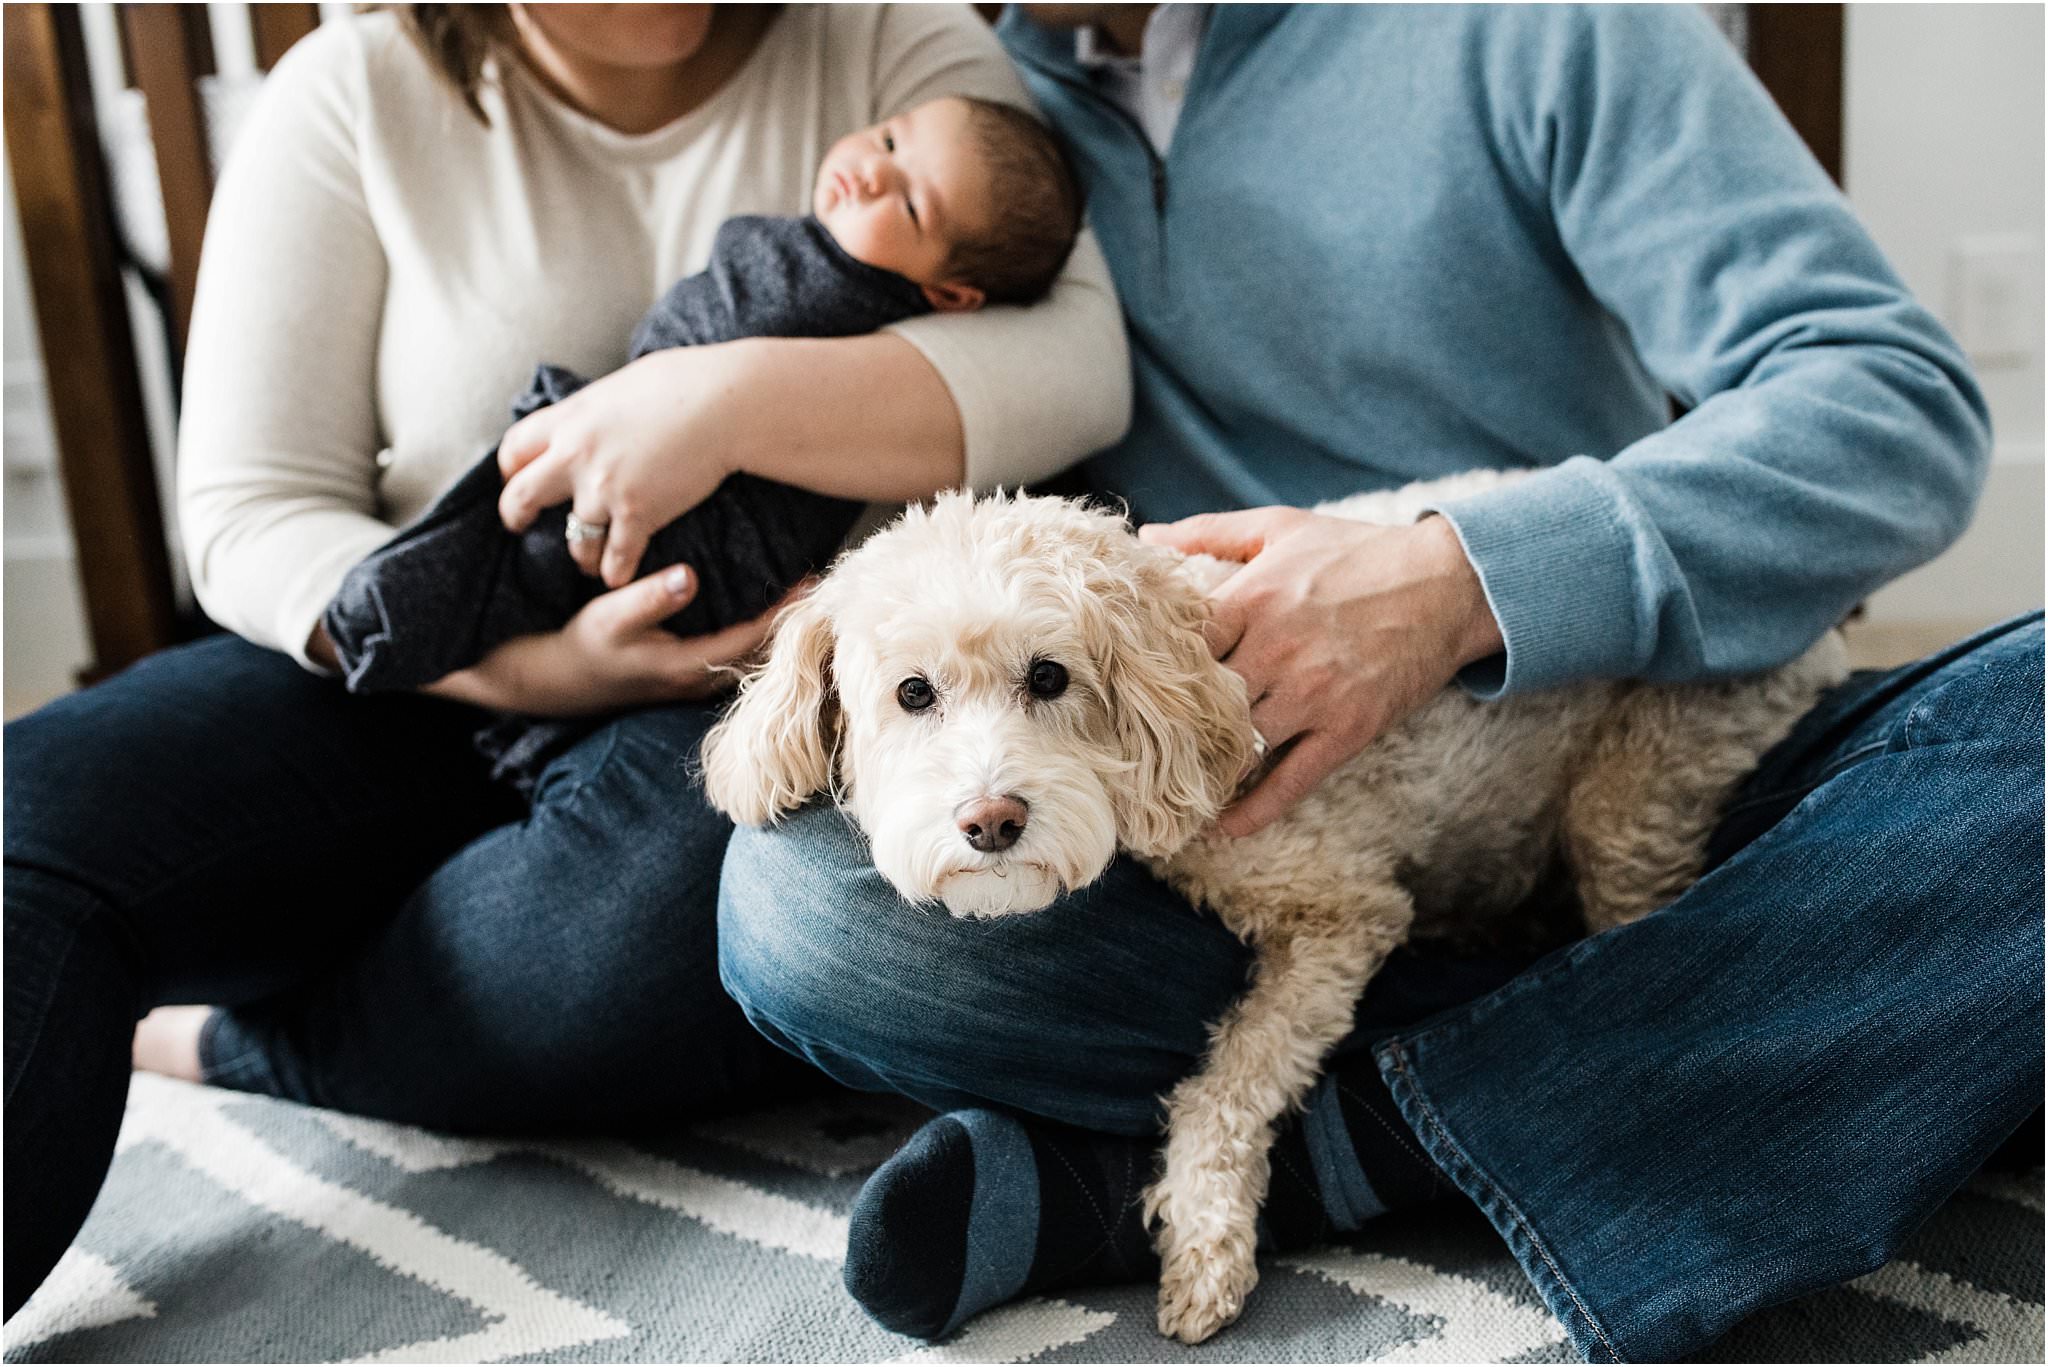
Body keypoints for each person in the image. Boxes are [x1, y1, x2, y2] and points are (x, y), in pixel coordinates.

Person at [712, 5, 2044, 1360]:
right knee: (800, 910)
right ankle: (1786, 1030)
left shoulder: (1545, 26)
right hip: (1194, 819)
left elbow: (1901, 409)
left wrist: (1458, 579)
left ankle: (1341, 1147)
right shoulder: (959, 114)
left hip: (1638, 742)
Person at [1, 3, 1128, 1319]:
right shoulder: (351, 94)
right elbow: (253, 513)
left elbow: (1077, 363)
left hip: (727, 704)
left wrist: (705, 404)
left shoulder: (889, 40)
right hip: (423, 666)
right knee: (35, 819)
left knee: (641, 939)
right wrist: (537, 669)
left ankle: (248, 1036)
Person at [322, 93, 1082, 788]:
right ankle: (410, 631)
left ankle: (388, 614)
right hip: (659, 580)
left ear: (952, 297)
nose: (872, 173)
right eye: (886, 139)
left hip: (693, 554)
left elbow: (703, 320)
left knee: (511, 550)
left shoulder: (823, 276)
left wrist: (676, 399)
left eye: (911, 204)